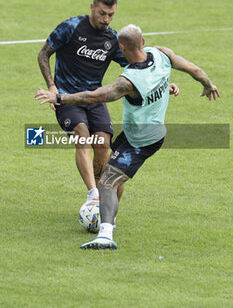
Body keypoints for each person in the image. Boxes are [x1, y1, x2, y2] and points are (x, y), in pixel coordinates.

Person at [35, 24, 220, 250]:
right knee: (112, 173)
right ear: (143, 41)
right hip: (142, 133)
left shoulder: (128, 80)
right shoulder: (161, 54)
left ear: (121, 48)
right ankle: (108, 219)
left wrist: (60, 98)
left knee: (106, 182)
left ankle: (105, 235)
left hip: (141, 141)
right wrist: (208, 85)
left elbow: (94, 96)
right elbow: (195, 71)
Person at [37, 0, 128, 203]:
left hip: (94, 99)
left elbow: (136, 65)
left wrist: (161, 82)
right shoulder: (71, 27)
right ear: (92, 7)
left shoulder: (112, 39)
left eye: (111, 15)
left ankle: (103, 201)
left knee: (103, 144)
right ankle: (93, 195)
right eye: (102, 13)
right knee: (82, 135)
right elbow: (43, 54)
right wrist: (51, 86)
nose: (106, 19)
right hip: (67, 97)